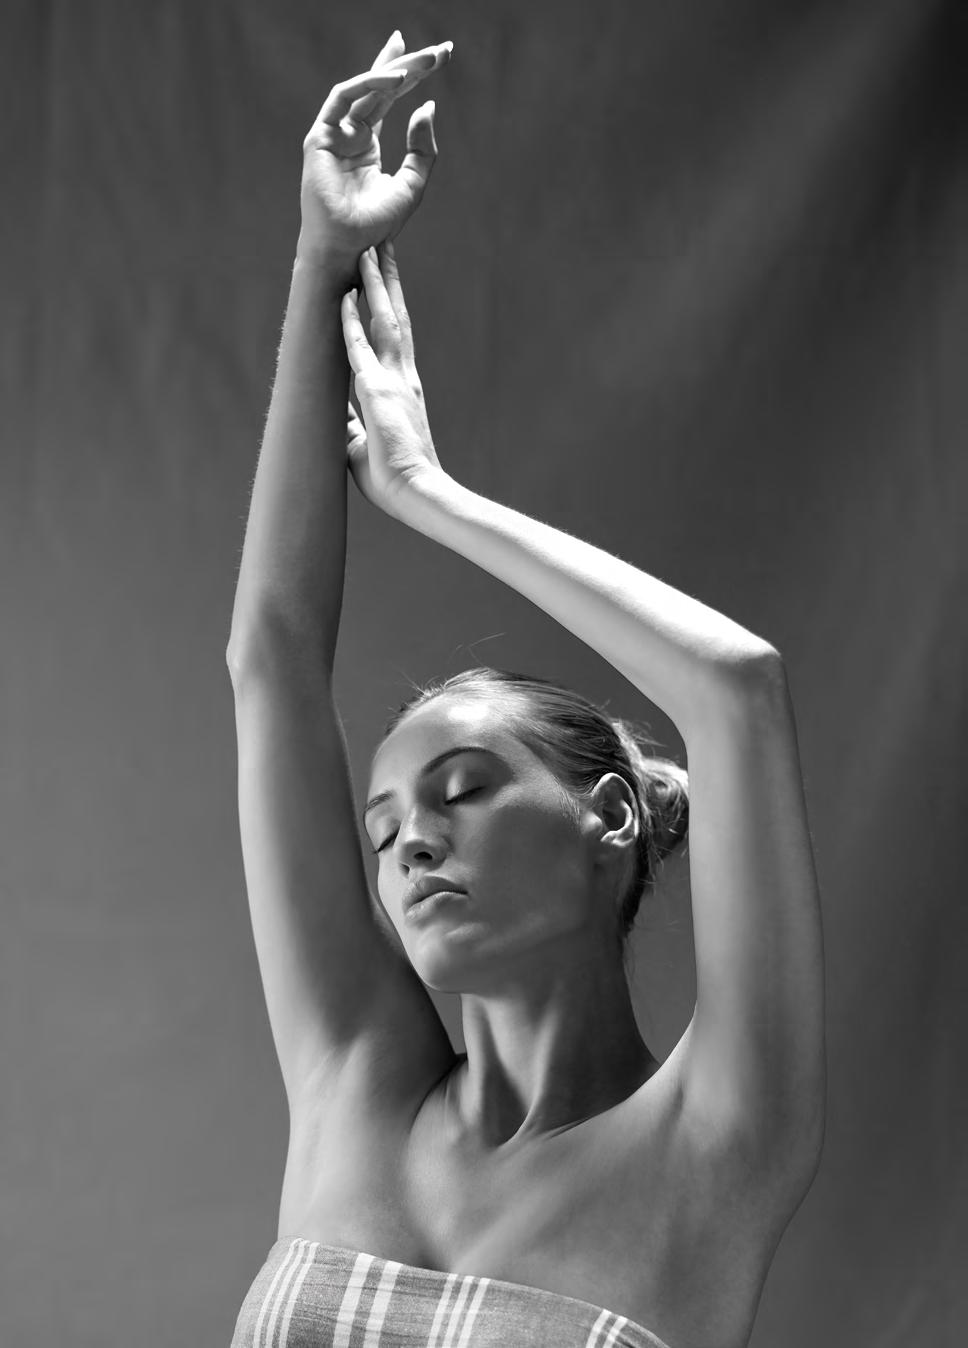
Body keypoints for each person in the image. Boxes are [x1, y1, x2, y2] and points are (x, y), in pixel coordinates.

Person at [225, 30, 825, 1348]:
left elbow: (736, 688)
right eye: (383, 829)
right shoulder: (354, 1083)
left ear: (610, 816)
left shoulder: (719, 1142)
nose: (407, 844)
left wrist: (429, 495)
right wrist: (323, 258)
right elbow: (272, 658)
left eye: (462, 790)